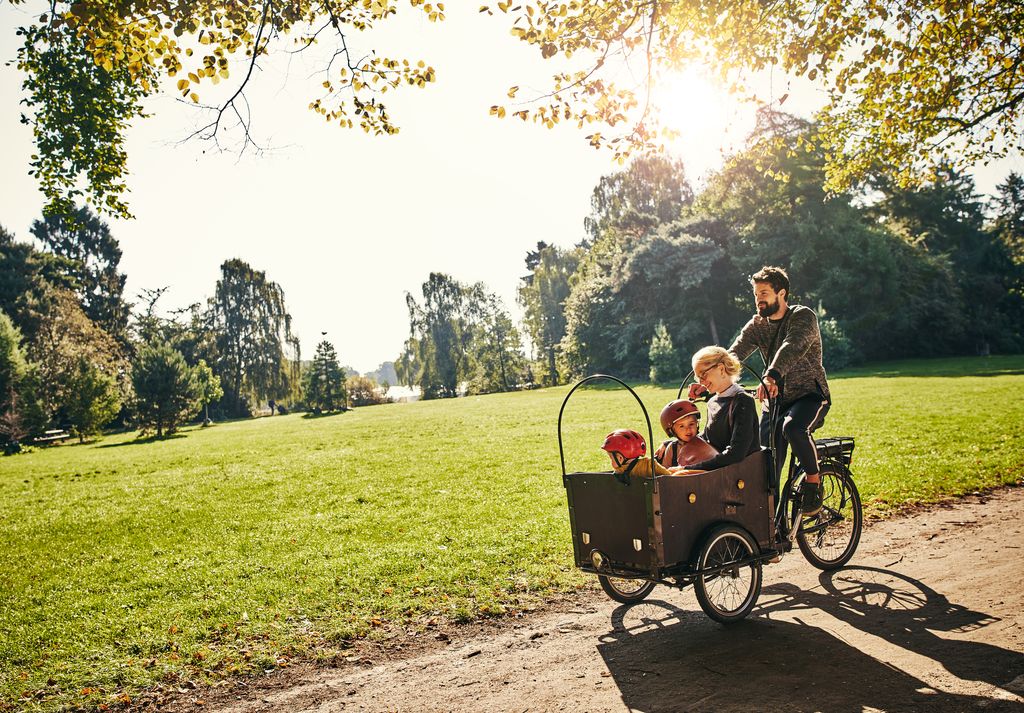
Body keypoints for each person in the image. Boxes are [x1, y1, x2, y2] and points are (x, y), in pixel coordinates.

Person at [728, 265, 831, 516]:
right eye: (756, 294)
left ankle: (813, 482)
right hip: (775, 401)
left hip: (809, 395)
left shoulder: (803, 316)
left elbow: (792, 346)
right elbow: (734, 354)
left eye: (764, 293)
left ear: (781, 293)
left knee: (793, 428)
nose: (758, 299)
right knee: (764, 464)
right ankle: (770, 524)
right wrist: (707, 377)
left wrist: (771, 375)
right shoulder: (757, 325)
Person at [679, 347, 761, 474]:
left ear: (721, 369)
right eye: (698, 378)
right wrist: (672, 445)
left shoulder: (743, 402)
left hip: (741, 476)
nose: (701, 382)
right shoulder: (713, 401)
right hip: (721, 473)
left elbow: (736, 454)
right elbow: (708, 439)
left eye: (703, 374)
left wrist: (689, 469)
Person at [654, 399, 719, 469]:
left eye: (691, 424)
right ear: (671, 431)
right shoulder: (672, 448)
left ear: (697, 424)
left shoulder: (704, 444)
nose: (688, 429)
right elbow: (665, 471)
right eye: (681, 426)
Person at [601, 429, 673, 476]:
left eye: (611, 458)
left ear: (620, 458)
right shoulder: (649, 464)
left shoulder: (619, 473)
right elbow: (668, 477)